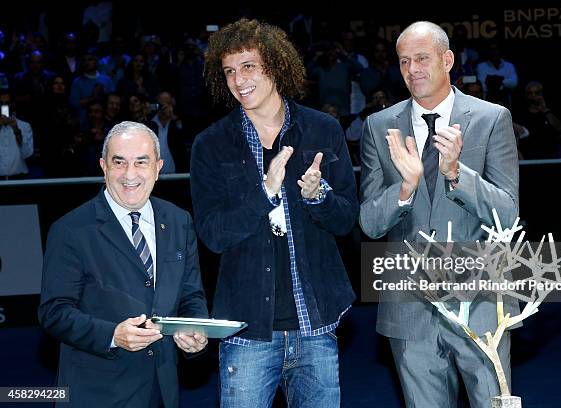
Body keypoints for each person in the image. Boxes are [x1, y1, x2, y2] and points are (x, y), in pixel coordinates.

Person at [190, 18, 358, 408]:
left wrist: (319, 198)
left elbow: (347, 219)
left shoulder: (323, 130)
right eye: (229, 71)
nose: (238, 79)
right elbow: (213, 234)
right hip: (247, 330)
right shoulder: (210, 145)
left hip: (316, 324)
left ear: (276, 65)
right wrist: (265, 193)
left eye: (248, 66)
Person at [359, 21, 519, 408]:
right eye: (403, 62)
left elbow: (508, 214)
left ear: (447, 60)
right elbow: (370, 223)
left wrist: (456, 174)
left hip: (480, 304)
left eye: (422, 58)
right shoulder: (379, 127)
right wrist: (404, 189)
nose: (412, 69)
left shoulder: (491, 118)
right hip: (408, 308)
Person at [38, 121, 208, 407]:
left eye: (141, 162)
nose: (130, 175)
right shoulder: (70, 230)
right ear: (104, 166)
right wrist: (112, 336)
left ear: (158, 167)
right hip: (98, 394)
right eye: (119, 163)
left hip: (162, 390)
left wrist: (196, 331)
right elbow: (54, 312)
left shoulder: (179, 221)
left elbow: (191, 295)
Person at [0, 89, 33, 180]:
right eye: (1, 103)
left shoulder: (25, 126)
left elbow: (27, 154)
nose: (3, 106)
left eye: (7, 103)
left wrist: (16, 129)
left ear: (12, 105)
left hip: (19, 178)